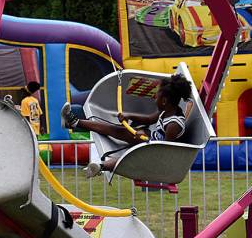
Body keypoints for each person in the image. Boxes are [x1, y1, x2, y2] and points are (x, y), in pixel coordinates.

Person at [61, 73, 194, 178]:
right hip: (148, 140)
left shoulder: (173, 125)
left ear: (164, 101)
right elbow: (148, 119)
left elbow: (165, 150)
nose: (154, 99)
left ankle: (101, 166)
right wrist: (129, 116)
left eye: (156, 97)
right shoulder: (166, 110)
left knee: (128, 158)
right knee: (116, 130)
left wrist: (145, 140)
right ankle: (74, 122)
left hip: (153, 152)